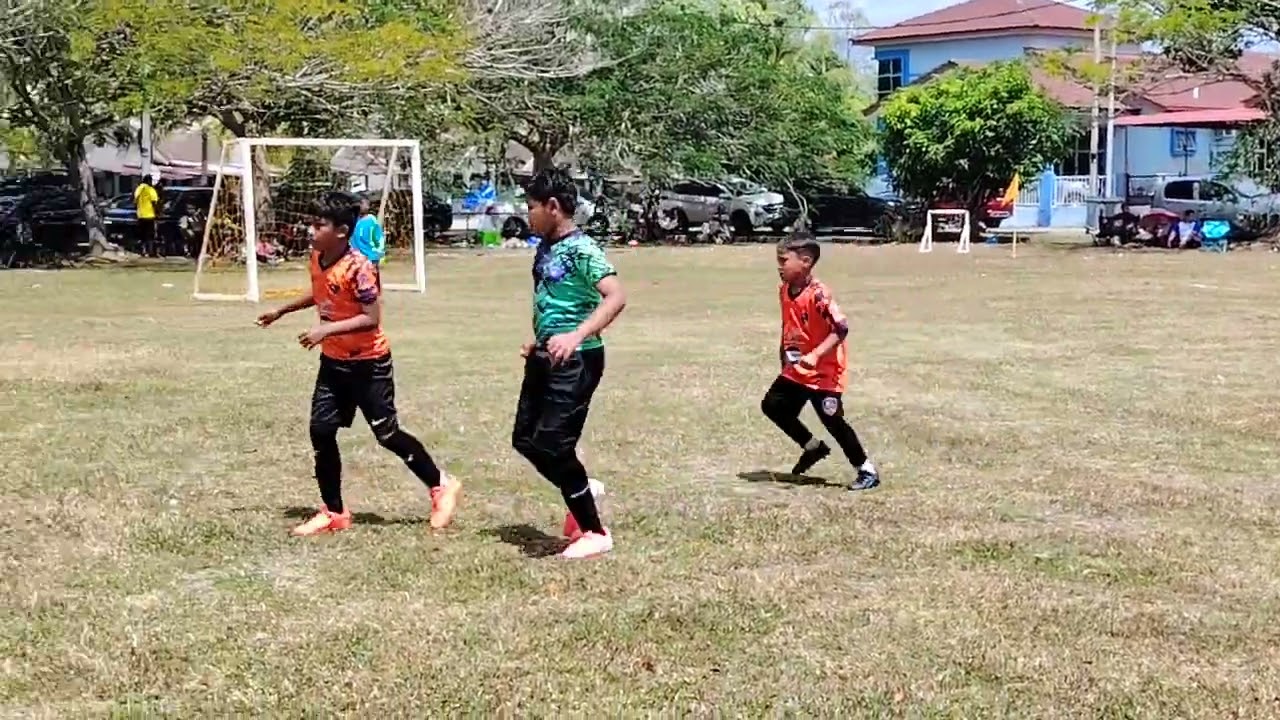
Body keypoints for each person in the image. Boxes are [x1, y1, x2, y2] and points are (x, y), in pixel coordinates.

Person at [256, 198, 461, 536]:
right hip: (333, 363)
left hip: (369, 364)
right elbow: (322, 293)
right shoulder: (318, 259)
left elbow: (371, 317)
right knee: (321, 431)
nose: (312, 231)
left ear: (341, 232)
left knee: (387, 434)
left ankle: (441, 485)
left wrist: (324, 330)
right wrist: (282, 311)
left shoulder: (360, 267)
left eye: (319, 225)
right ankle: (334, 512)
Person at [512, 168, 627, 559]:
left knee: (553, 442)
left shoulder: (583, 250)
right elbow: (556, 298)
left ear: (553, 207)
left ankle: (595, 532)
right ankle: (580, 485)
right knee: (525, 439)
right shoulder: (544, 246)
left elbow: (615, 296)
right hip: (547, 353)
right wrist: (541, 339)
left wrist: (575, 335)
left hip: (578, 359)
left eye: (531, 208)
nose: (527, 215)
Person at [761, 232, 879, 491]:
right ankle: (813, 448)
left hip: (825, 370)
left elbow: (841, 328)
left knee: (832, 420)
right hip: (799, 367)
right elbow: (789, 323)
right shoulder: (785, 290)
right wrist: (784, 352)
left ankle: (867, 470)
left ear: (805, 261)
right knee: (773, 406)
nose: (779, 267)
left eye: (783, 261)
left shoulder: (819, 294)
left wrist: (815, 355)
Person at [351, 194, 386, 266]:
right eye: (358, 203)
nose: (359, 205)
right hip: (354, 259)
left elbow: (377, 240)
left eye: (362, 203)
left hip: (369, 259)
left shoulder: (371, 222)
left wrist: (376, 257)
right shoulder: (352, 221)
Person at [134, 174, 160, 257]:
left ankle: (142, 251)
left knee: (142, 235)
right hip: (149, 215)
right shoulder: (150, 189)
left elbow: (134, 201)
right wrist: (157, 213)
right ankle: (150, 251)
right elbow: (154, 202)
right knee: (150, 235)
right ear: (148, 181)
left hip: (140, 215)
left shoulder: (138, 189)